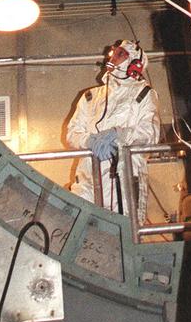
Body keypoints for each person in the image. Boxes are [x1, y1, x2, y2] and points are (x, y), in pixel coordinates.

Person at [65, 39, 160, 224]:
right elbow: (72, 133)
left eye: (120, 54)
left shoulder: (145, 94)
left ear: (135, 63)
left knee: (124, 238)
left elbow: (151, 133)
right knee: (79, 232)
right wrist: (89, 141)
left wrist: (120, 135)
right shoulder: (90, 97)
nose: (113, 58)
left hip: (124, 180)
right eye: (112, 54)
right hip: (88, 179)